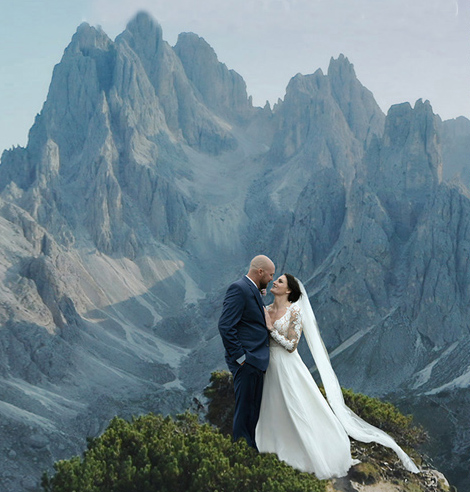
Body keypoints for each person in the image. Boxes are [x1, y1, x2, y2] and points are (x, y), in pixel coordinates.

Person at [255, 273, 419, 479]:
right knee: (273, 408)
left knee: (297, 407)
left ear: (288, 290)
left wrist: (271, 329)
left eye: (279, 281)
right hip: (268, 366)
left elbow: (291, 346)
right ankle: (273, 451)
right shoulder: (266, 310)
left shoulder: (295, 312)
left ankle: (312, 453)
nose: (274, 282)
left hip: (289, 367)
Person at [218, 255, 276, 449]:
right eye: (270, 275)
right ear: (260, 272)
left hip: (255, 361)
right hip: (248, 361)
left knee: (253, 410)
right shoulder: (239, 288)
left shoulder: (253, 289)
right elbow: (226, 326)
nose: (271, 279)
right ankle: (242, 453)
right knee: (245, 411)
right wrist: (241, 358)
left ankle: (251, 451)